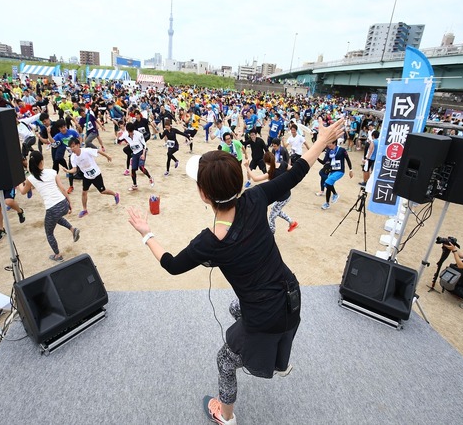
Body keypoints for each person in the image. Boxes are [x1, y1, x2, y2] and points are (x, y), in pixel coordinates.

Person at [127, 118, 345, 425]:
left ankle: (226, 417)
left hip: (266, 314)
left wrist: (146, 233)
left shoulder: (210, 242)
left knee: (224, 361)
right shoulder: (255, 198)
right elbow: (296, 173)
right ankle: (279, 362)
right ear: (239, 181)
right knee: (235, 307)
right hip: (292, 294)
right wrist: (321, 140)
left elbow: (173, 265)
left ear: (203, 194)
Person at [18, 151, 80, 262]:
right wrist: (69, 202)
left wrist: (18, 183)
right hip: (63, 204)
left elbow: (23, 191)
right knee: (56, 218)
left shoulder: (31, 179)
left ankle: (58, 255)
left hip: (52, 208)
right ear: (42, 161)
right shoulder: (52, 172)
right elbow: (62, 189)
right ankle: (72, 229)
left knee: (49, 232)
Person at [63, 138, 119, 218]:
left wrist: (107, 156)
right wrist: (68, 171)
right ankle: (85, 210)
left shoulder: (86, 151)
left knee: (102, 191)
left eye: (73, 146)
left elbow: (98, 151)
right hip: (87, 176)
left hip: (96, 174)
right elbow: (74, 169)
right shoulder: (73, 157)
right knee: (84, 192)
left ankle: (115, 194)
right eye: (71, 147)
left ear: (78, 145)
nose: (72, 149)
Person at [245, 152, 298, 234]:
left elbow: (255, 179)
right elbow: (293, 170)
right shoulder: (283, 164)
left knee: (272, 216)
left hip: (282, 198)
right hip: (286, 194)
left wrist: (247, 167)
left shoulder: (271, 173)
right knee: (276, 210)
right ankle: (292, 223)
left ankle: (271, 232)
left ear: (266, 162)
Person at [318, 140, 353, 210]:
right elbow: (324, 162)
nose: (328, 145)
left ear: (334, 143)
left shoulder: (342, 150)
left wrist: (350, 170)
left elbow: (347, 159)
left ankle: (335, 194)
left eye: (329, 143)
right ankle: (327, 204)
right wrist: (317, 157)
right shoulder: (328, 151)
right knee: (328, 186)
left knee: (327, 182)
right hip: (332, 171)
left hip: (340, 171)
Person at [119, 122, 154, 191]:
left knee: (141, 167)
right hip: (134, 153)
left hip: (141, 152)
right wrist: (119, 136)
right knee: (133, 170)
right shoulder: (126, 134)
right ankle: (135, 185)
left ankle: (150, 178)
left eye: (132, 132)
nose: (131, 133)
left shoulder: (139, 135)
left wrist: (143, 154)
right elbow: (119, 139)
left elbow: (144, 145)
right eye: (129, 132)